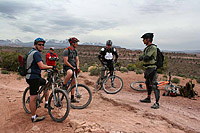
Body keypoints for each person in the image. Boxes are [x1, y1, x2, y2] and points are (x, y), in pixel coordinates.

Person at [26, 38, 56, 122]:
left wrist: (47, 68)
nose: (41, 46)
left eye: (43, 45)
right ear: (35, 45)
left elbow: (39, 65)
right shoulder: (36, 53)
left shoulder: (33, 52)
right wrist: (52, 67)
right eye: (39, 44)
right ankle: (34, 117)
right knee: (33, 96)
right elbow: (41, 66)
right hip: (32, 77)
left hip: (35, 76)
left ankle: (46, 103)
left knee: (46, 83)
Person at [139, 33, 160, 109]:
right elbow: (142, 57)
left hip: (152, 68)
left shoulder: (153, 47)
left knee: (154, 85)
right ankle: (148, 98)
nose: (143, 41)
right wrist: (143, 57)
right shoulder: (147, 48)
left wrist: (143, 57)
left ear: (148, 39)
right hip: (147, 68)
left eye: (144, 39)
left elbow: (147, 57)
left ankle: (157, 103)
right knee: (148, 83)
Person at [63, 37, 80, 103]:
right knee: (70, 73)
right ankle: (64, 85)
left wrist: (77, 66)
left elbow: (77, 59)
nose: (77, 44)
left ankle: (72, 97)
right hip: (68, 66)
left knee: (73, 82)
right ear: (72, 43)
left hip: (74, 67)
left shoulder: (75, 51)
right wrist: (72, 67)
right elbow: (65, 61)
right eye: (76, 43)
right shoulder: (66, 50)